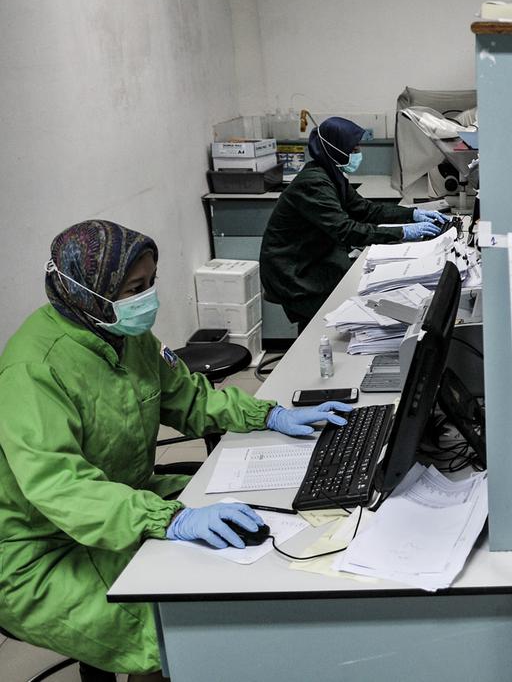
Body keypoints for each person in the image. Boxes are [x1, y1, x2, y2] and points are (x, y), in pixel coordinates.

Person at [0, 220, 354, 680]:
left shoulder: (123, 336)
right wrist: (170, 519)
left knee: (263, 520)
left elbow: (190, 398)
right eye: (133, 288)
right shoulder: (34, 370)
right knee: (173, 622)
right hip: (39, 550)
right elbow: (61, 488)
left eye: (150, 284)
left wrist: (268, 416)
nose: (146, 299)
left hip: (127, 499)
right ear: (86, 290)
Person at [260, 116, 448, 332]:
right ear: (335, 149)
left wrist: (412, 214)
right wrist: (403, 233)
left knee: (349, 299)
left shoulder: (332, 175)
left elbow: (366, 209)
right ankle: (314, 356)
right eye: (354, 148)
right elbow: (345, 230)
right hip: (296, 270)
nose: (358, 153)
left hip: (316, 258)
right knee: (325, 324)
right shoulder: (314, 183)